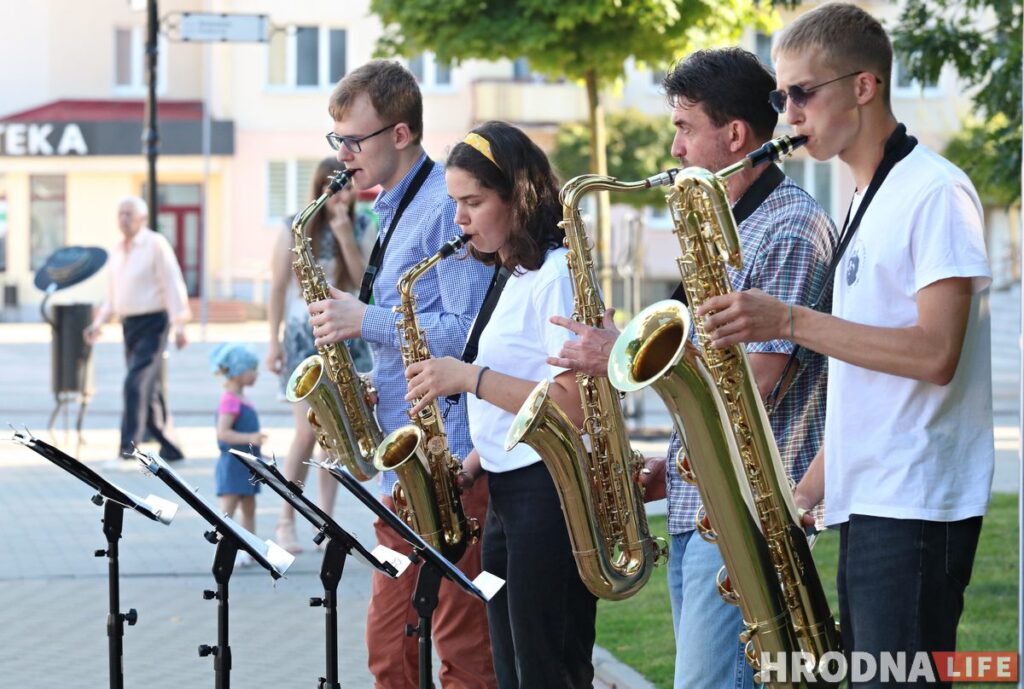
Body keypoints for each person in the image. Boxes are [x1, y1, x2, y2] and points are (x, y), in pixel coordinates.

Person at [698, 4, 993, 682]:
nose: (788, 112)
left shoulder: (935, 192)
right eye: (780, 95)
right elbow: (873, 385)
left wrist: (789, 321)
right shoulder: (866, 197)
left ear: (864, 86)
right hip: (873, 501)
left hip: (916, 505)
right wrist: (800, 495)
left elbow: (933, 354)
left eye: (802, 92)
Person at [547, 48, 837, 689]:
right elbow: (711, 375)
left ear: (734, 135)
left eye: (684, 127)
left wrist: (622, 350)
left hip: (747, 516)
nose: (674, 148)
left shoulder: (789, 227)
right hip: (701, 505)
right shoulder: (724, 223)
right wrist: (672, 464)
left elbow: (755, 380)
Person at [307, 60, 496, 689]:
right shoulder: (390, 207)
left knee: (462, 653)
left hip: (451, 464)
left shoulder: (447, 205)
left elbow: (470, 331)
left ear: (400, 133)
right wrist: (373, 381)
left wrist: (366, 321)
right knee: (390, 651)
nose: (343, 154)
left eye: (353, 140)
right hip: (401, 465)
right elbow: (415, 325)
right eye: (337, 140)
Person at [403, 121, 596, 689]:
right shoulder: (519, 274)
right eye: (455, 202)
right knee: (513, 670)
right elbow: (528, 386)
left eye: (473, 202)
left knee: (547, 668)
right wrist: (470, 466)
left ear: (520, 197)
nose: (459, 219)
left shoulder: (556, 276)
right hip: (513, 490)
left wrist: (468, 378)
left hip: (549, 493)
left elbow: (572, 405)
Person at [266, 156, 376, 554]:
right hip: (302, 335)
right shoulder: (295, 225)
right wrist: (273, 341)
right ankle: (286, 518)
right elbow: (278, 287)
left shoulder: (363, 225)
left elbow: (366, 283)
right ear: (320, 188)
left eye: (349, 187)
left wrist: (345, 234)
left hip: (346, 337)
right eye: (336, 187)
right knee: (307, 431)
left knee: (338, 436)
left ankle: (326, 522)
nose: (343, 195)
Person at [84, 196, 191, 468]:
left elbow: (172, 284)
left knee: (134, 383)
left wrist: (180, 325)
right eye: (120, 213)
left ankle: (127, 449)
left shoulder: (155, 244)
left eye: (129, 213)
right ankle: (171, 448)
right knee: (149, 388)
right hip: (129, 325)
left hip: (154, 323)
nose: (124, 218)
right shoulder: (117, 250)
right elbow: (113, 295)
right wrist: (97, 325)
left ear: (142, 218)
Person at [210, 343, 265, 565]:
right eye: (253, 369)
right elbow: (223, 434)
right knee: (228, 511)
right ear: (239, 371)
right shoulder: (230, 400)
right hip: (233, 464)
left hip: (247, 464)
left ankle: (249, 550)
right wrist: (250, 438)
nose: (256, 374)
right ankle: (223, 552)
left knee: (249, 507)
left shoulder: (242, 398)